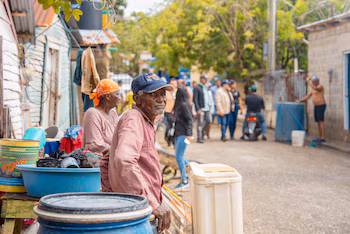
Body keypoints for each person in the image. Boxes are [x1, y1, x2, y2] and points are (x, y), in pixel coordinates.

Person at [100, 72, 172, 233]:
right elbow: (123, 160)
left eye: (162, 94)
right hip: (140, 212)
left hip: (137, 208)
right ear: (137, 99)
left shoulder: (145, 120)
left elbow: (106, 160)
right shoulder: (134, 119)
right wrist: (151, 203)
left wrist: (110, 194)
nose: (161, 99)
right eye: (153, 95)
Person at [83, 79, 120, 154]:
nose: (120, 98)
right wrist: (118, 151)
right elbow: (95, 144)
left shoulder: (113, 113)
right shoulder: (92, 113)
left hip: (114, 158)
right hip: (97, 161)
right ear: (108, 96)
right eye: (117, 94)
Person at [173, 87, 193, 189]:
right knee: (179, 157)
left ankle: (184, 181)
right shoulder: (180, 105)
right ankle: (192, 167)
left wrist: (189, 135)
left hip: (184, 134)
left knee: (179, 157)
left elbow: (190, 120)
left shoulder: (184, 105)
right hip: (179, 133)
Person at [297, 75, 326, 141]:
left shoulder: (320, 86)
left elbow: (315, 88)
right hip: (316, 106)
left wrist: (308, 81)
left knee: (321, 121)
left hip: (321, 105)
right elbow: (307, 97)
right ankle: (320, 136)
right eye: (312, 82)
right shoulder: (312, 90)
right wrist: (300, 100)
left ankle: (323, 137)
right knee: (318, 121)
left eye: (314, 82)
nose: (313, 83)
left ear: (317, 81)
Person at [193, 74, 211, 143]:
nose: (206, 81)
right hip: (201, 109)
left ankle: (203, 132)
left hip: (207, 108)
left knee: (209, 121)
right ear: (201, 79)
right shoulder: (197, 87)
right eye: (205, 79)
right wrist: (198, 109)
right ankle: (199, 137)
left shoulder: (205, 87)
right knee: (200, 123)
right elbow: (195, 99)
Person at [164, 79, 178, 144]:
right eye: (172, 83)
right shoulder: (166, 92)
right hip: (168, 111)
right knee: (169, 126)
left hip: (175, 112)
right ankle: (167, 136)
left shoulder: (177, 92)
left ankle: (171, 138)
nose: (174, 85)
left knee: (173, 126)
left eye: (175, 83)